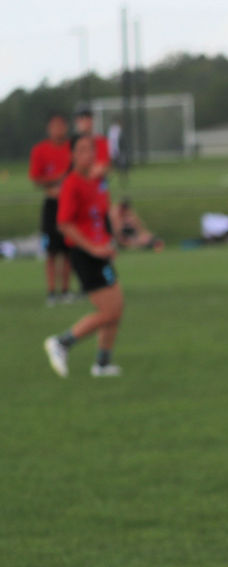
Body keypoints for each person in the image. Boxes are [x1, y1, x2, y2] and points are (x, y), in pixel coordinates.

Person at [42, 133, 126, 379]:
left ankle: (102, 364)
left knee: (116, 307)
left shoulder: (96, 181)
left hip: (100, 253)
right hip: (85, 255)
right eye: (81, 150)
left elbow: (100, 214)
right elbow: (64, 224)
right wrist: (93, 248)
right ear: (72, 155)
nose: (88, 154)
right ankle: (61, 342)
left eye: (90, 149)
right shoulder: (71, 183)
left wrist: (109, 241)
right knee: (109, 312)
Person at [29, 112, 72, 304]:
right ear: (49, 128)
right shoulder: (40, 150)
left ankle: (66, 290)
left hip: (69, 204)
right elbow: (36, 178)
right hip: (52, 205)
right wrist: (56, 179)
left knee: (68, 250)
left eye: (61, 125)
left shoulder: (72, 148)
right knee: (51, 251)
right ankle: (52, 292)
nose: (58, 129)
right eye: (55, 125)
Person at [73, 105, 111, 179]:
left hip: (96, 183)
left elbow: (102, 167)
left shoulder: (101, 141)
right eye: (82, 118)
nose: (85, 121)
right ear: (76, 121)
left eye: (88, 118)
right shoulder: (70, 143)